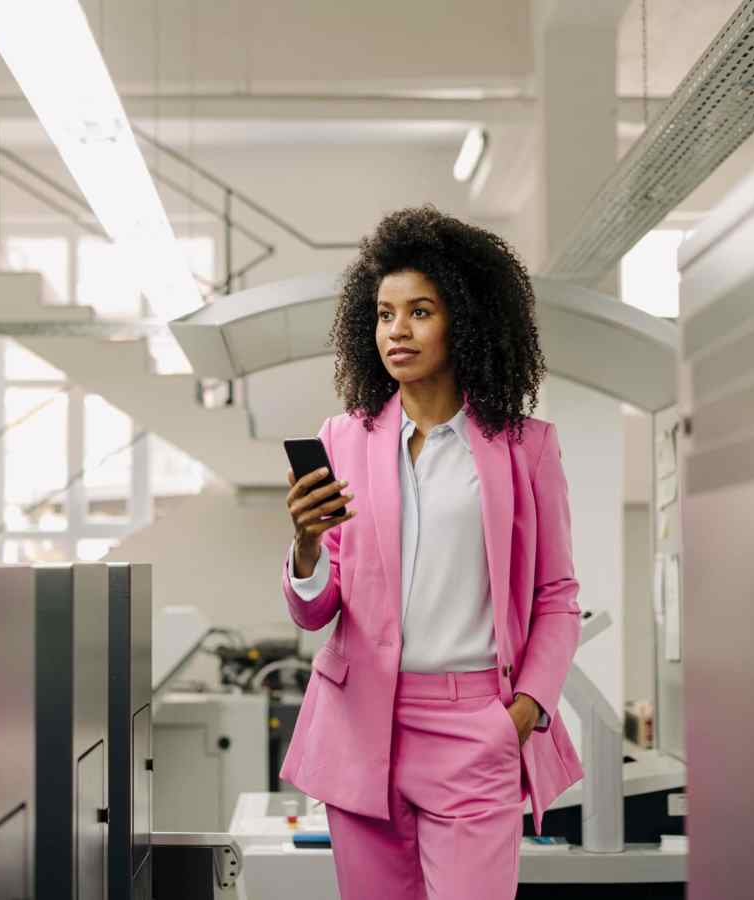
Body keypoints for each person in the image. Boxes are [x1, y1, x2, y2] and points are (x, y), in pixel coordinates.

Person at [280, 205, 584, 900]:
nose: (398, 331)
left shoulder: (525, 447)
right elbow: (314, 610)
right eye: (385, 315)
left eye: (420, 311)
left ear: (466, 320)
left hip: (476, 726)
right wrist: (303, 547)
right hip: (361, 729)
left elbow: (557, 595)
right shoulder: (342, 439)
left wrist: (525, 710)